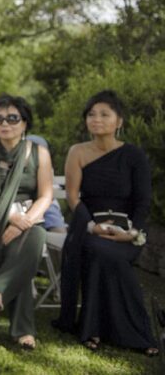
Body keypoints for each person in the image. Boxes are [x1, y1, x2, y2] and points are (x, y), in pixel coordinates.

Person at [54, 90, 158, 357]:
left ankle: (94, 329)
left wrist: (132, 232)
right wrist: (91, 226)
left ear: (119, 121)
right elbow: (74, 197)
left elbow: (143, 201)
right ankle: (137, 331)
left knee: (105, 255)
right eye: (91, 114)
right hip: (88, 224)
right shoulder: (77, 152)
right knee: (98, 249)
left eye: (104, 114)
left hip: (128, 229)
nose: (97, 119)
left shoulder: (134, 155)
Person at [0, 95, 53, 350]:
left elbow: (46, 195)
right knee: (24, 254)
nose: (5, 123)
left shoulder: (39, 153)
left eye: (12, 118)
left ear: (25, 122)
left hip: (28, 220)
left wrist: (23, 222)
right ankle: (23, 331)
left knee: (34, 238)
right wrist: (9, 217)